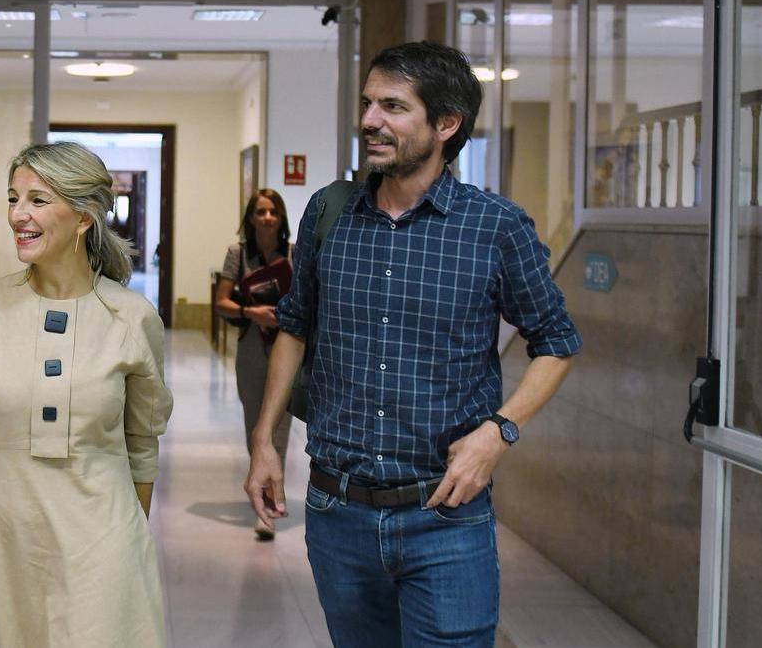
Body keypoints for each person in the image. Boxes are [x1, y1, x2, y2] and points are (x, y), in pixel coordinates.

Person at [243, 41, 582, 646]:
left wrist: (497, 433)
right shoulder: (330, 212)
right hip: (336, 510)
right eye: (369, 103)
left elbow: (557, 341)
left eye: (393, 107)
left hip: (444, 516)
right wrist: (265, 441)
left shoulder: (495, 228)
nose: (370, 119)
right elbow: (294, 324)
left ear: (445, 124)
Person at [0, 142, 174, 647]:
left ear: (83, 217)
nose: (19, 215)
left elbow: (142, 444)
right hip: (2, 539)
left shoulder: (131, 318)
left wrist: (130, 540)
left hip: (102, 539)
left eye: (38, 200)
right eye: (14, 199)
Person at [214, 189, 295, 540]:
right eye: (260, 212)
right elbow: (221, 303)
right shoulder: (238, 253)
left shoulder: (293, 254)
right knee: (255, 422)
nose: (267, 218)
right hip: (251, 346)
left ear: (281, 217)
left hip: (286, 346)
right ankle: (262, 492)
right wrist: (251, 312)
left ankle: (270, 508)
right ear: (250, 217)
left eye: (272, 212)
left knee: (280, 425)